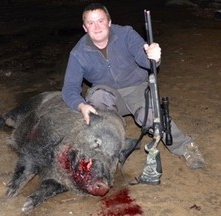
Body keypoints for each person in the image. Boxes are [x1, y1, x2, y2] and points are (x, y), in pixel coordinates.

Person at [61, 3, 205, 172]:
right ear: (85, 27)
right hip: (106, 94)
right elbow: (69, 88)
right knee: (97, 103)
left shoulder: (126, 34)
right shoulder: (78, 53)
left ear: (109, 22)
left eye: (100, 21)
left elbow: (144, 57)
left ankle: (186, 147)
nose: (97, 27)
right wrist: (82, 105)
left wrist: (153, 55)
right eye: (91, 23)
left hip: (136, 89)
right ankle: (107, 155)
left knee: (151, 116)